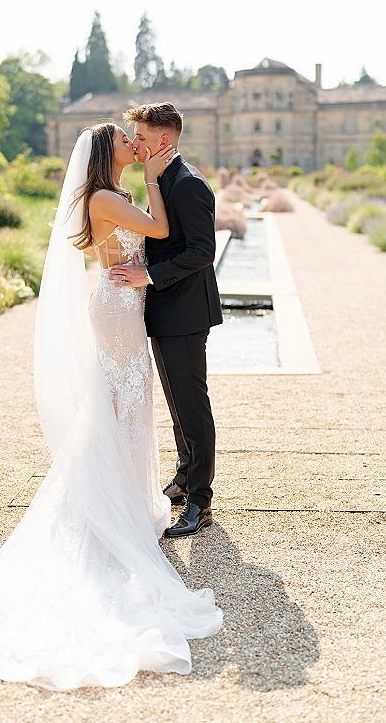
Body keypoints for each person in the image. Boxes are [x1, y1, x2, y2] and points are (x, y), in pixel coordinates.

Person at [0, 123, 222, 691]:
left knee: (121, 413)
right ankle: (115, 511)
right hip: (118, 311)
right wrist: (157, 177)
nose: (137, 146)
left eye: (143, 140)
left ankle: (126, 502)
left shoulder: (107, 194)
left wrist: (151, 186)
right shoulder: (108, 196)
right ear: (111, 154)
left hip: (122, 306)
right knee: (122, 412)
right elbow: (159, 228)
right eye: (128, 141)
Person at [109, 103, 223, 538]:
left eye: (138, 136)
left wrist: (148, 274)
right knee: (176, 403)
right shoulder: (160, 178)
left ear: (163, 141)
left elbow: (202, 251)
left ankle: (200, 502)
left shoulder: (189, 184)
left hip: (186, 312)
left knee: (192, 407)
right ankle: (183, 477)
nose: (134, 143)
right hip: (163, 310)